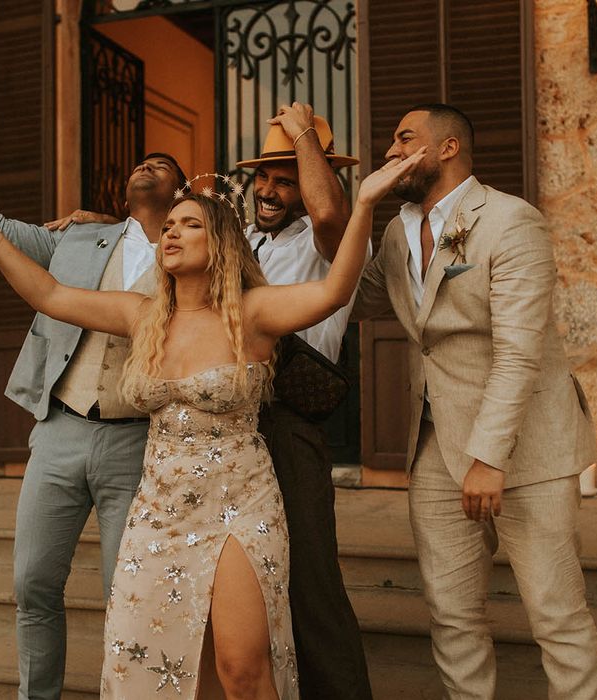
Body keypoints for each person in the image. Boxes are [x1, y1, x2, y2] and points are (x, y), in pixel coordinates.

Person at [0, 147, 425, 699]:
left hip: (239, 504)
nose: (170, 234)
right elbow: (48, 294)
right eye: (168, 225)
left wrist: (363, 201)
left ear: (217, 240)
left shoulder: (254, 312)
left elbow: (335, 290)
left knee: (241, 667)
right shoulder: (141, 315)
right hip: (158, 511)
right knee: (175, 670)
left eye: (188, 224)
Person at [0, 100, 187, 700]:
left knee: (128, 594)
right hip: (59, 430)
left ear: (183, 193)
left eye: (161, 164)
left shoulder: (196, 255)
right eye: (141, 161)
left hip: (139, 440)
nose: (146, 166)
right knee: (32, 583)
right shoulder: (78, 237)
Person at [352, 103, 597, 699]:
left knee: (557, 617)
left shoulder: (511, 221)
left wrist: (489, 458)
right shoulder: (395, 231)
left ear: (446, 148)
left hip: (527, 449)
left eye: (404, 138)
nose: (390, 151)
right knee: (452, 617)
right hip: (436, 447)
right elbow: (353, 300)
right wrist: (355, 208)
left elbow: (518, 353)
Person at [237, 103, 373, 700]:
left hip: (290, 422)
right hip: (231, 424)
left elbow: (328, 209)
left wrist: (301, 136)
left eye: (285, 177)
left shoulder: (333, 243)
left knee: (310, 581)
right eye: (264, 176)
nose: (269, 189)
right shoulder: (238, 238)